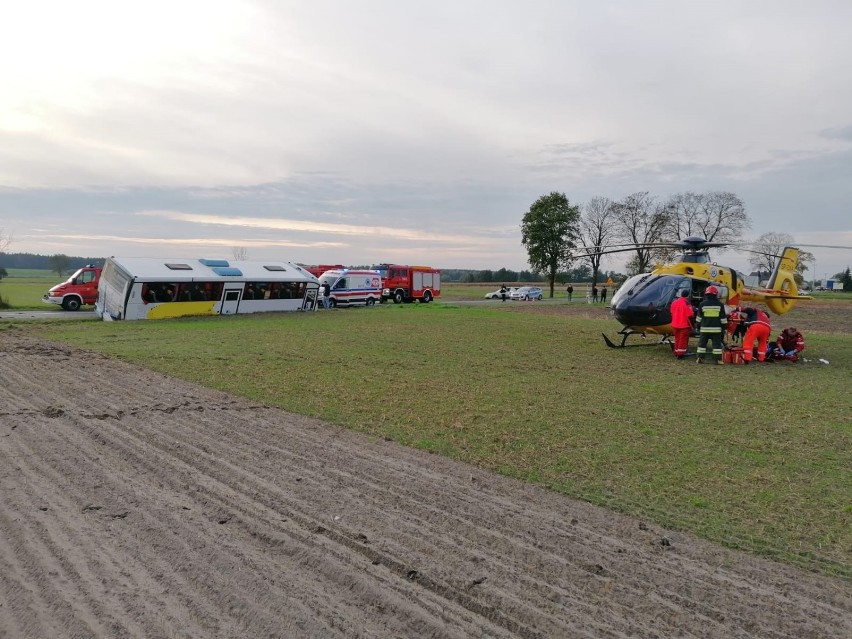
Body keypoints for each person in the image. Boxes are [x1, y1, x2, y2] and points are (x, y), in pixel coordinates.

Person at [695, 285, 727, 364]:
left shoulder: (702, 304)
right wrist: (723, 328)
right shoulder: (720, 305)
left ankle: (700, 358)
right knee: (717, 346)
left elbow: (698, 318)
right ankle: (718, 360)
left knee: (702, 344)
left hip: (704, 329)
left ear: (706, 294)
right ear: (716, 294)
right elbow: (723, 319)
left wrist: (698, 327)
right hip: (716, 330)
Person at [670, 289, 694, 359]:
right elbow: (690, 316)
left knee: (677, 339)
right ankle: (680, 354)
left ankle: (676, 352)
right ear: (688, 295)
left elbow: (671, 312)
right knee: (682, 340)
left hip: (675, 325)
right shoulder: (687, 303)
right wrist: (693, 326)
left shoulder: (674, 302)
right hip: (684, 325)